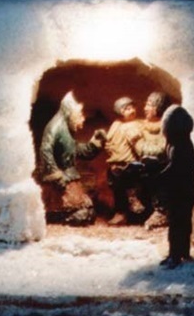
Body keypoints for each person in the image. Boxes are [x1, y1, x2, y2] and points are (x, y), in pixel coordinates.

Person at [36, 91, 106, 225]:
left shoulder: (66, 129)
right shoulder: (55, 127)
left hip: (69, 177)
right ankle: (58, 217)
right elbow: (45, 150)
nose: (83, 119)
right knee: (83, 214)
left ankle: (60, 216)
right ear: (72, 114)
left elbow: (76, 150)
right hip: (61, 181)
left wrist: (94, 144)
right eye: (80, 115)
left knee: (88, 213)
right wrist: (56, 176)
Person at [153, 103, 194, 268]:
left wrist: (159, 177)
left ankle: (175, 255)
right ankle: (182, 252)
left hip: (180, 191)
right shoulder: (182, 143)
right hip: (185, 190)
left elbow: (174, 168)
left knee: (177, 223)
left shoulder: (179, 145)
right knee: (182, 222)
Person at [103, 97, 149, 225]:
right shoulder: (116, 125)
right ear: (120, 112)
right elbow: (109, 140)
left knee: (133, 186)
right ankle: (121, 213)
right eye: (127, 109)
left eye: (133, 107)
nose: (132, 111)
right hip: (116, 162)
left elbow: (141, 144)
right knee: (118, 188)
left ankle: (139, 214)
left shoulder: (138, 124)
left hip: (132, 162)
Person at [138, 91, 171, 229]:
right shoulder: (142, 125)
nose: (145, 108)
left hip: (162, 166)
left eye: (149, 105)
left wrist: (139, 145)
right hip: (146, 165)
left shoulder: (166, 126)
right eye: (146, 104)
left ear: (158, 108)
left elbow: (161, 149)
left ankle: (162, 212)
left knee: (159, 180)